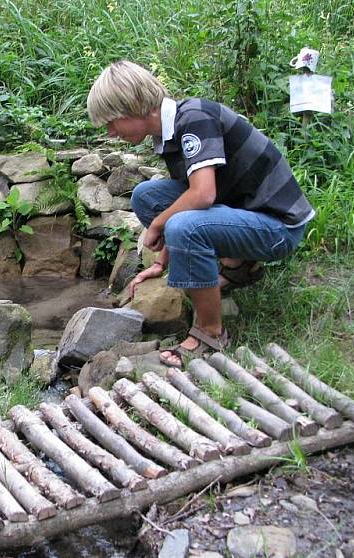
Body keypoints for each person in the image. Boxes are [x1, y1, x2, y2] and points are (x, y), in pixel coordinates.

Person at [87, 60, 314, 367]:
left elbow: (203, 195)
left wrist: (157, 225)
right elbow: (192, 197)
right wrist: (162, 262)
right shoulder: (168, 134)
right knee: (146, 196)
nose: (111, 132)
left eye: (112, 122)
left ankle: (211, 332)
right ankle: (238, 266)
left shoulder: (195, 118)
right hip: (244, 212)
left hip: (277, 227)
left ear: (134, 105)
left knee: (181, 224)